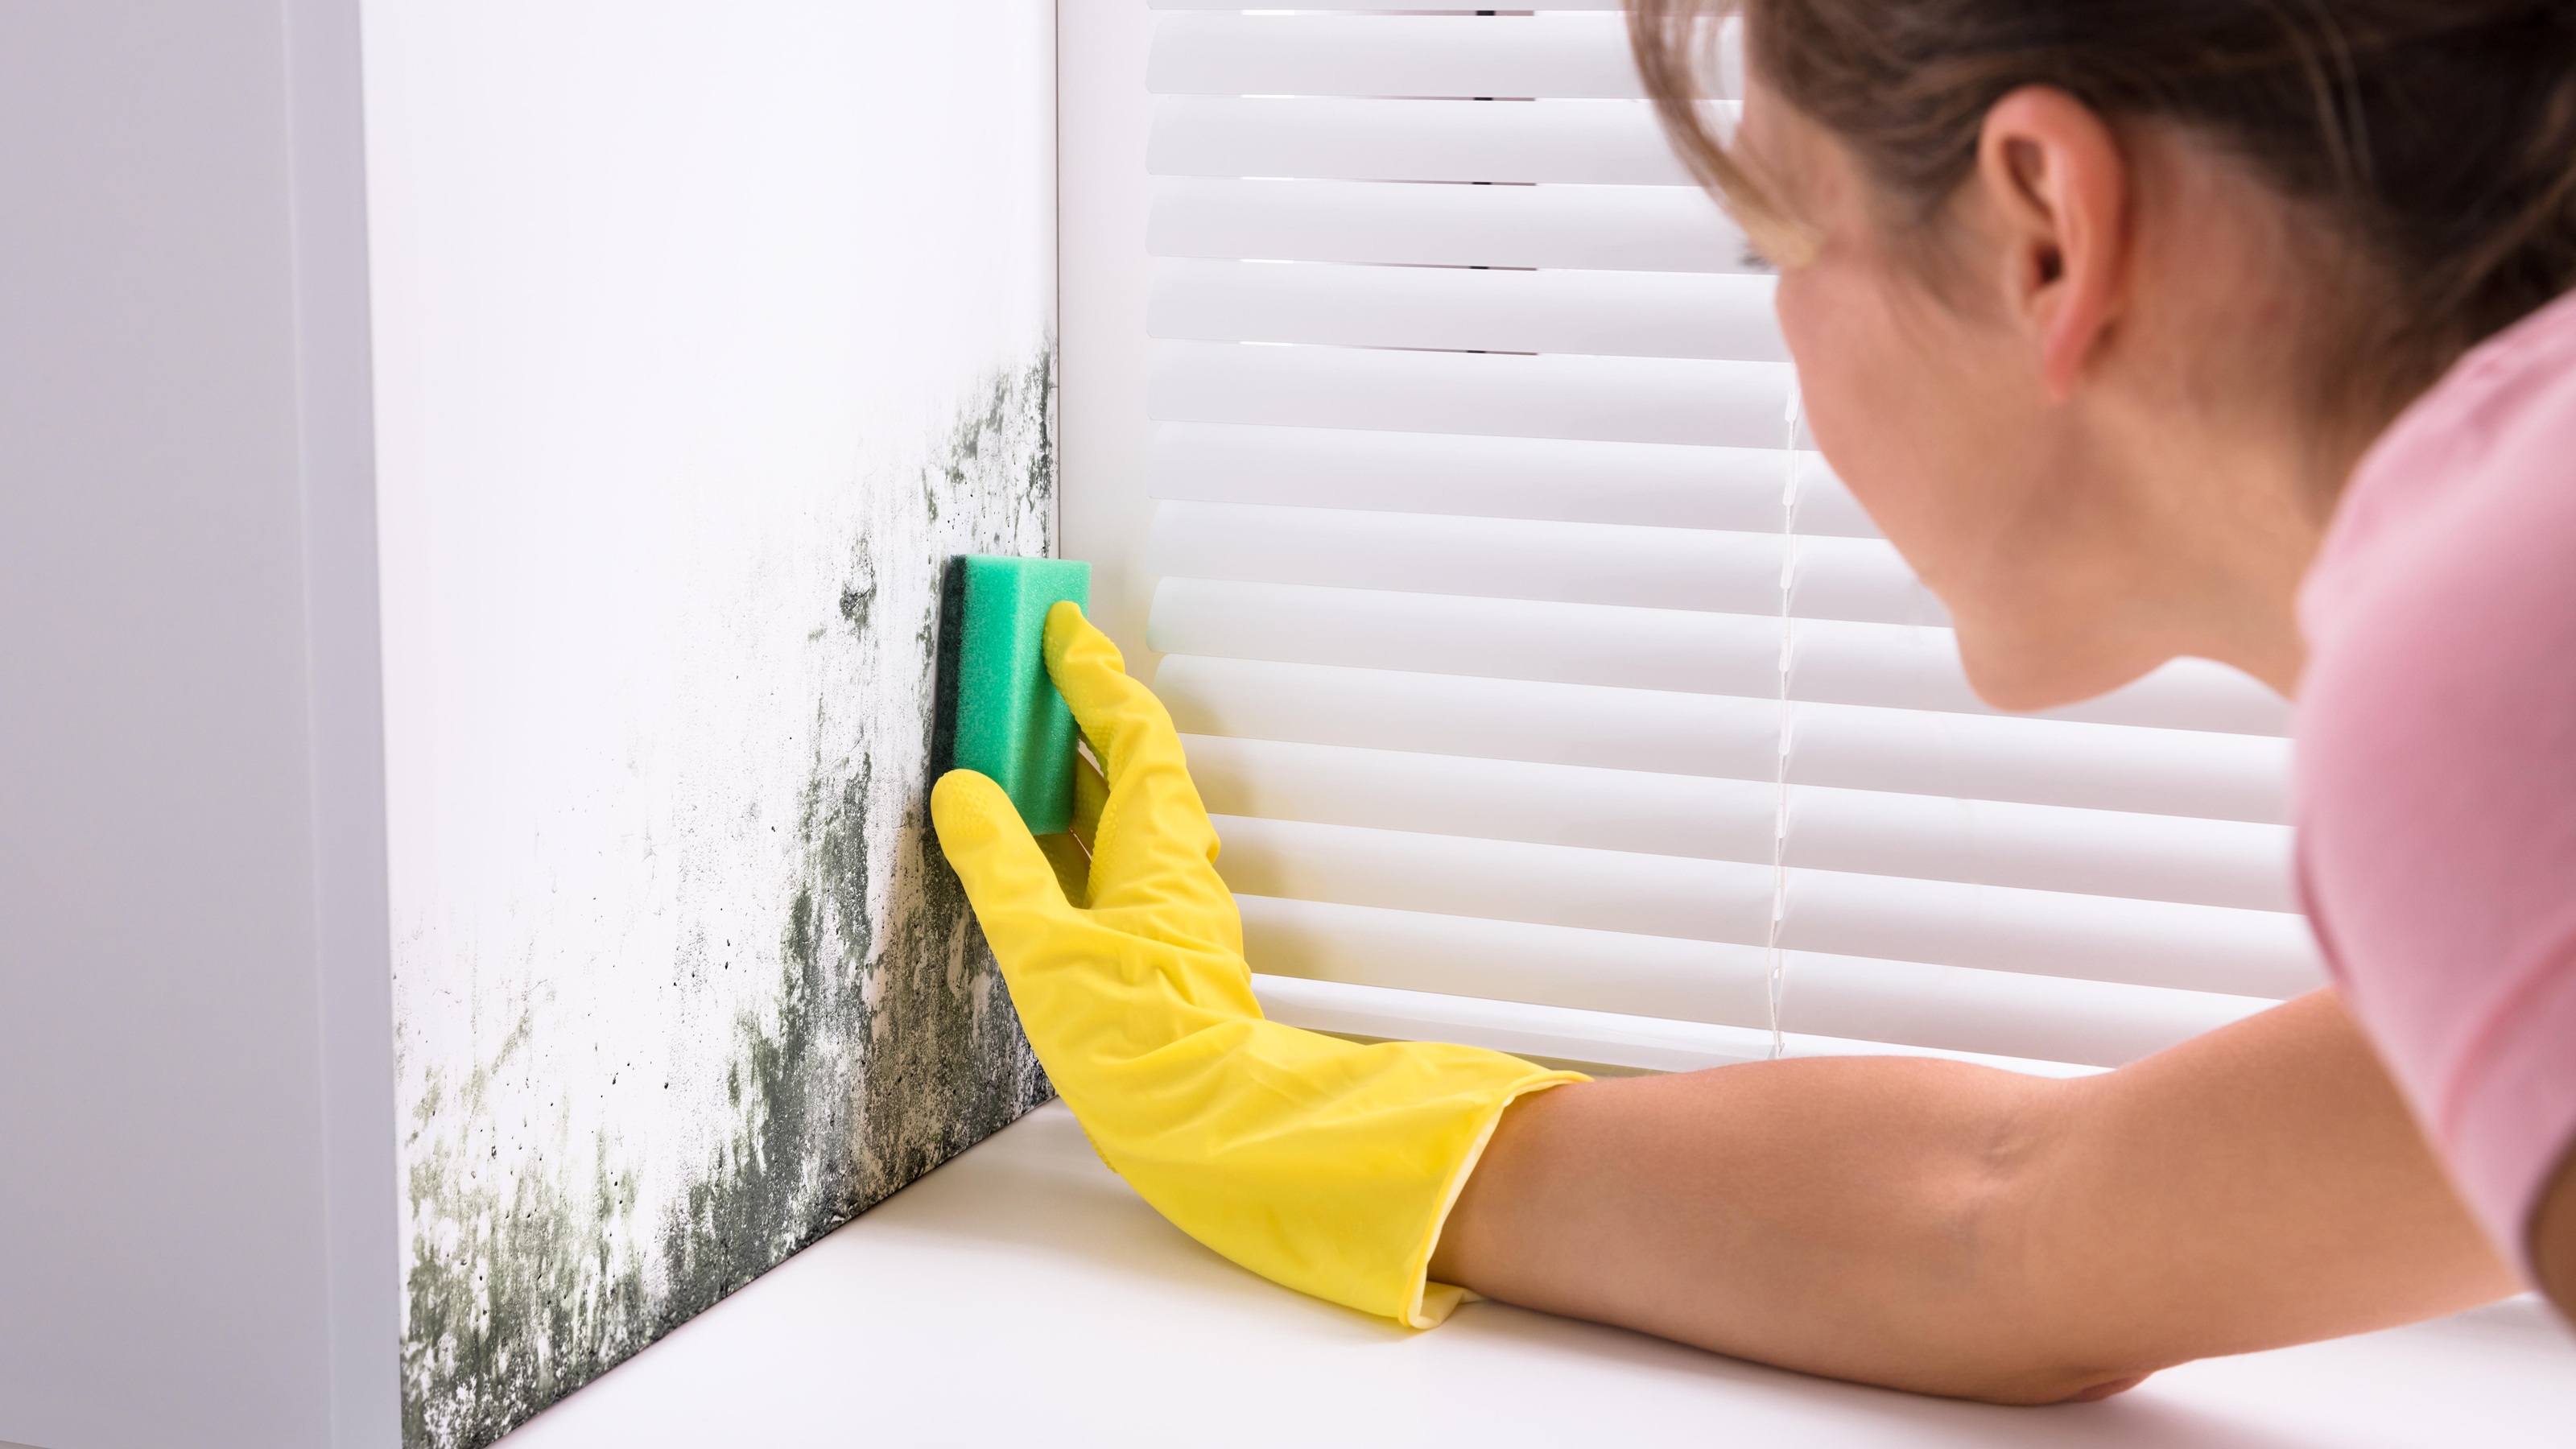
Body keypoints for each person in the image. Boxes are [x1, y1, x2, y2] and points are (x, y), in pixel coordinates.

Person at [930, 0, 2576, 1404]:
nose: (1781, 329)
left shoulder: (2478, 657)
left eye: (1777, 238)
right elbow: (2007, 1224)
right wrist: (1251, 1102)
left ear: (2044, 229)